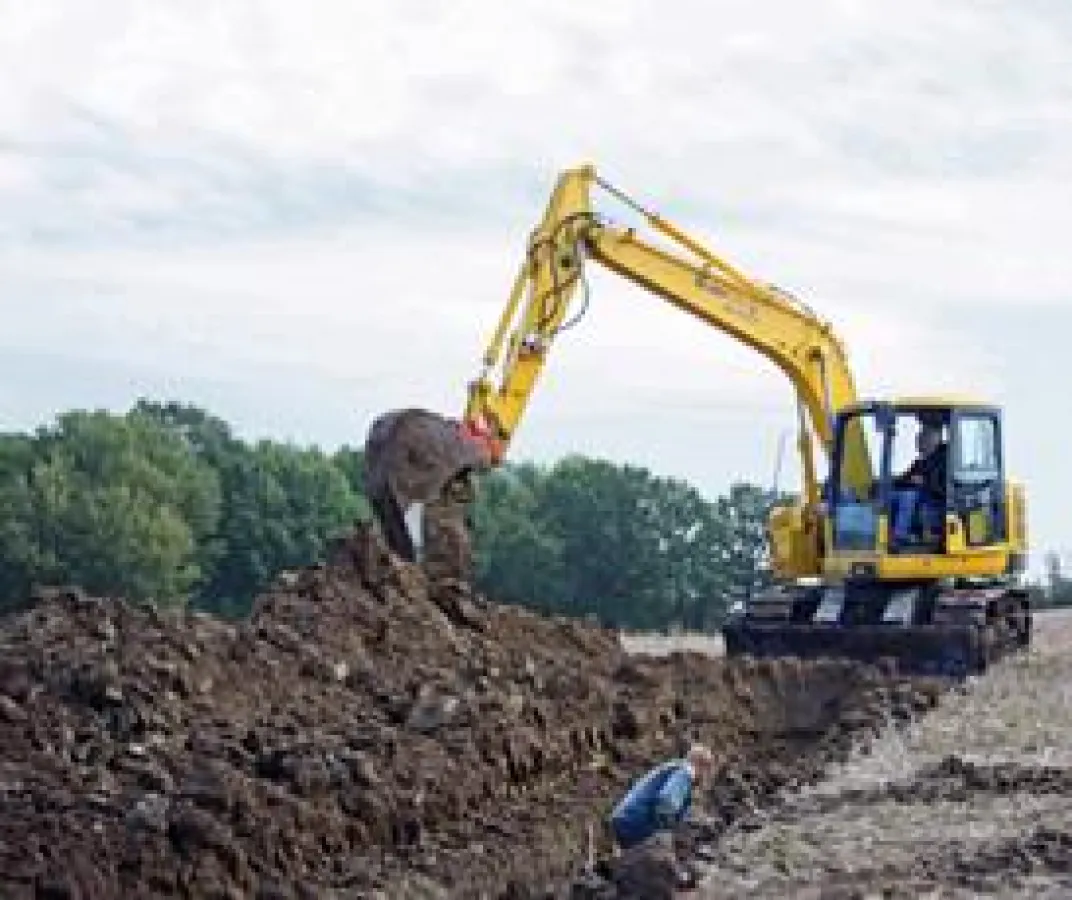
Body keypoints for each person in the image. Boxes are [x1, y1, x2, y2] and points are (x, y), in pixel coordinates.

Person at [608, 744, 716, 890]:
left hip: (624, 819)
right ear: (701, 766)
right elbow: (666, 802)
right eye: (707, 771)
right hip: (637, 820)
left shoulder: (672, 768)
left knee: (640, 869)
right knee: (662, 849)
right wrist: (666, 832)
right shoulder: (685, 772)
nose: (706, 777)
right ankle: (679, 880)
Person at [891, 421, 948, 543]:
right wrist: (884, 483)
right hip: (920, 497)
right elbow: (905, 478)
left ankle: (900, 536)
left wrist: (925, 482)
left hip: (936, 500)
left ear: (936, 438)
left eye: (924, 435)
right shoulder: (921, 462)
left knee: (908, 496)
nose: (918, 438)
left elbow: (945, 487)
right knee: (889, 496)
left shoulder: (945, 460)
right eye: (919, 435)